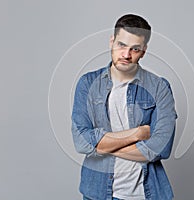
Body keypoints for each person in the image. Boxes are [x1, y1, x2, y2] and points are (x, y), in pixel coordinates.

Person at [71, 14, 177, 200]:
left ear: (143, 51)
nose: (126, 55)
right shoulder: (88, 84)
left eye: (135, 49)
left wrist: (101, 145)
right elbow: (81, 142)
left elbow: (160, 149)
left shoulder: (159, 87)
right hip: (97, 193)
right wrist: (137, 134)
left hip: (145, 194)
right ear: (112, 41)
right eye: (121, 45)